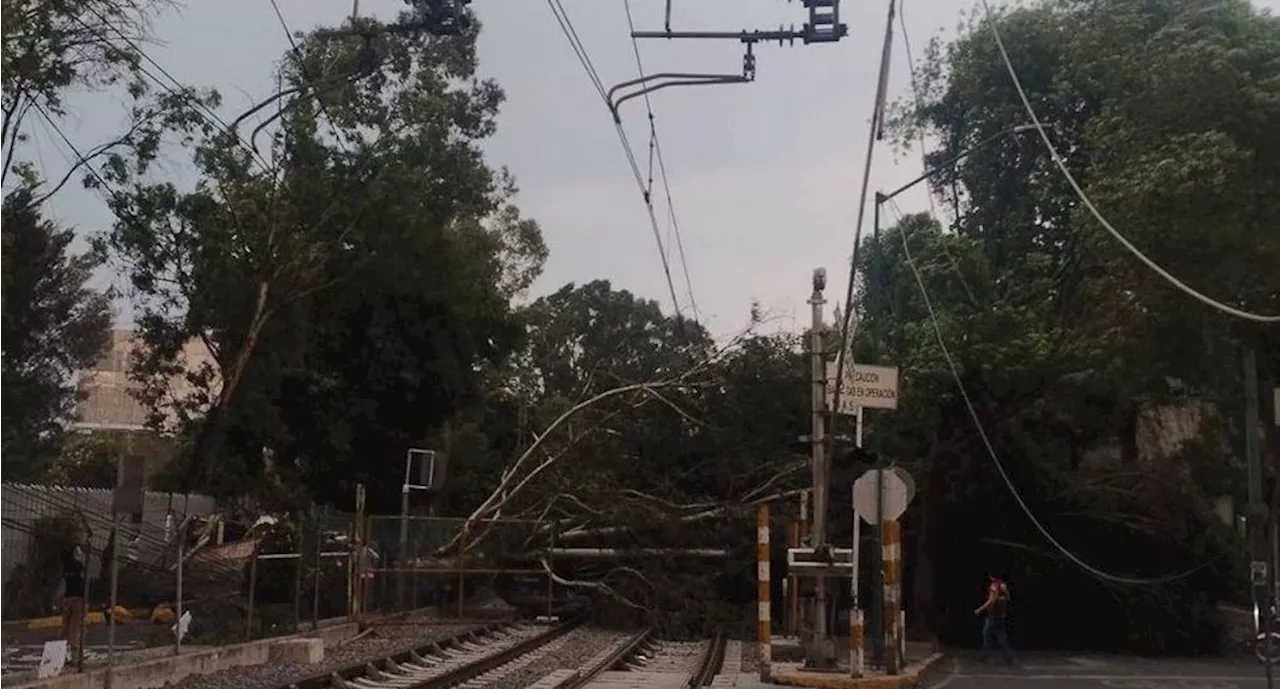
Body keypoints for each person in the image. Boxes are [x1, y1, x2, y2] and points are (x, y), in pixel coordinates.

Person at [974, 572, 1013, 664]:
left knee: (988, 634)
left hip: (993, 614)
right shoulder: (1003, 585)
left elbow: (991, 600)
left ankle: (984, 655)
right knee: (998, 635)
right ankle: (1007, 656)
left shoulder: (994, 586)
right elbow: (1007, 597)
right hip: (1001, 614)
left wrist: (980, 609)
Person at [60, 546, 87, 671]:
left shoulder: (66, 566)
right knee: (75, 630)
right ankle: (76, 659)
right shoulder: (79, 566)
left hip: (67, 599)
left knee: (65, 630)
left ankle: (62, 657)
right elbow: (83, 584)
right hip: (77, 600)